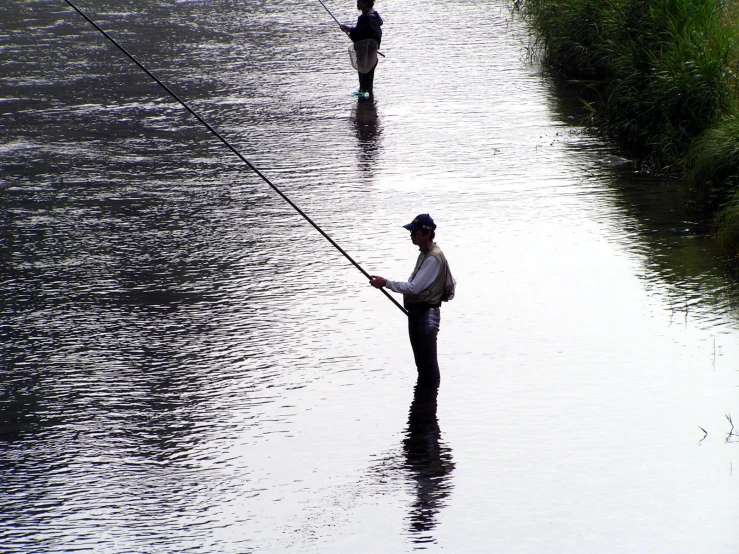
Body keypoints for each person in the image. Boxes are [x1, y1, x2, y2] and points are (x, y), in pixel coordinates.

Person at [369, 214, 453, 383]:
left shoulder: (433, 258)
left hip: (427, 315)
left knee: (428, 366)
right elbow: (413, 282)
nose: (411, 235)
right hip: (417, 314)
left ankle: (428, 402)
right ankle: (424, 403)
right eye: (411, 232)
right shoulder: (424, 254)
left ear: (427, 234)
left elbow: (414, 288)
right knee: (421, 365)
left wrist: (386, 283)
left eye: (415, 232)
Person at [340, 0, 383, 96]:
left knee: (366, 82)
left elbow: (366, 35)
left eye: (360, 2)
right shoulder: (368, 17)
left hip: (367, 55)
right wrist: (349, 29)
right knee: (365, 83)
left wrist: (350, 30)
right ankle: (367, 102)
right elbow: (363, 33)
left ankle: (366, 104)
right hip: (367, 54)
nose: (357, 3)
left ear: (366, 3)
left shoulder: (369, 18)